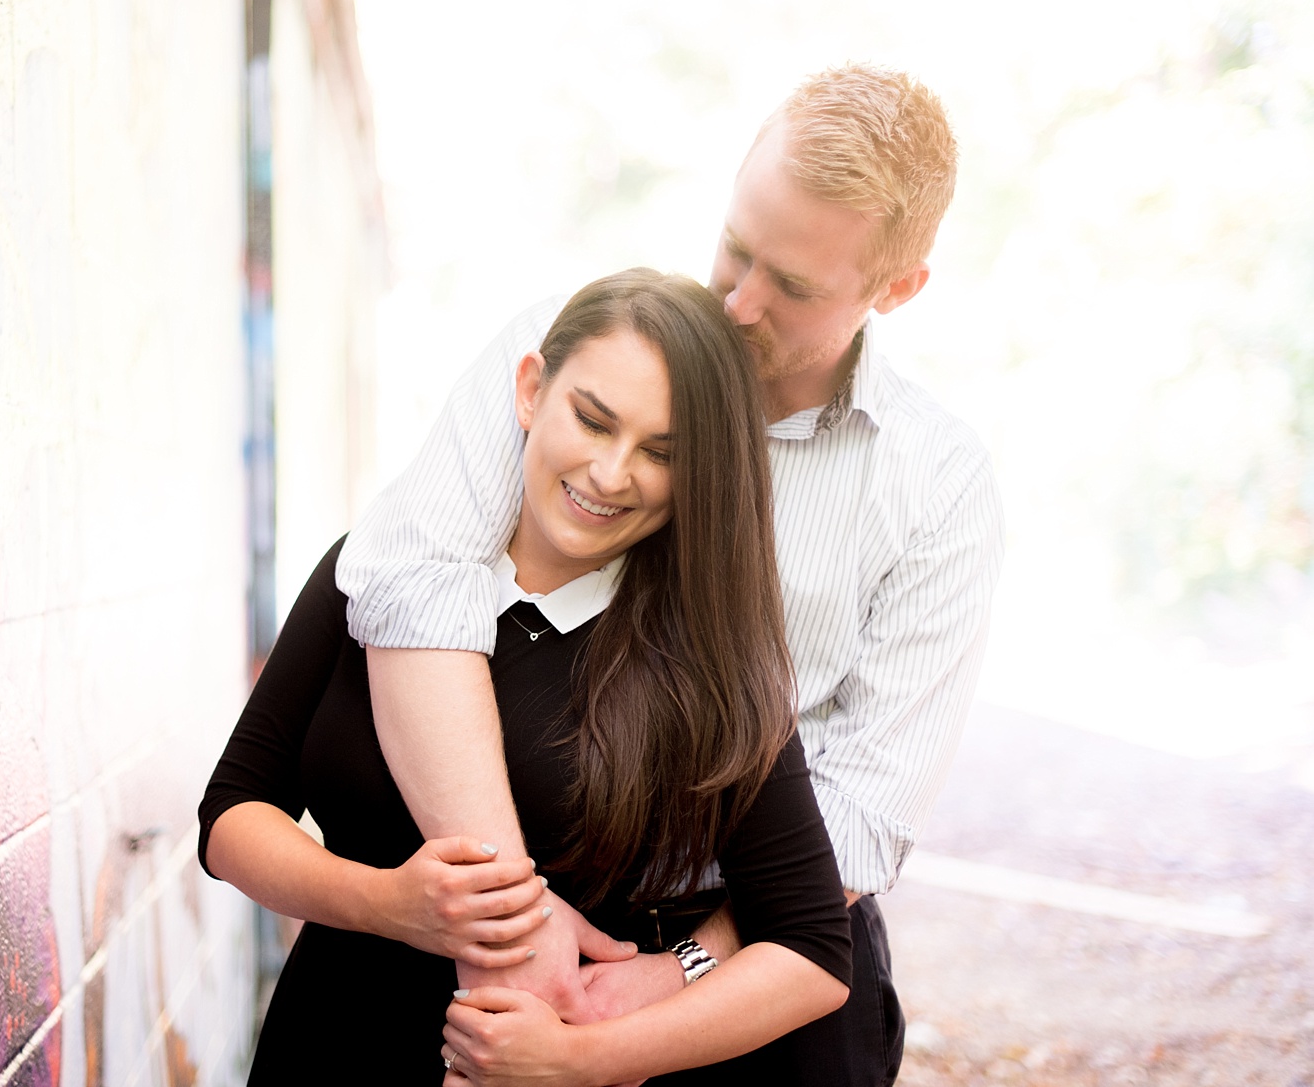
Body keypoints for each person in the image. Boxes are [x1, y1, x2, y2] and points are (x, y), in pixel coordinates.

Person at [337, 64, 1006, 1084]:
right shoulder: (562, 355)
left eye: (791, 286)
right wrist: (520, 928)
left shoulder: (937, 485)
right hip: (515, 913)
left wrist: (670, 972)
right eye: (735, 249)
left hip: (761, 964)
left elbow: (863, 811)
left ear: (894, 288)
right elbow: (411, 589)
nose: (737, 303)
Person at [200, 269, 853, 1084]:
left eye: (661, 452)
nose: (613, 474)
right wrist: (388, 904)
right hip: (327, 1041)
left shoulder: (705, 659)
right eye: (593, 419)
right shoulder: (374, 569)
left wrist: (582, 1057)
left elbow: (814, 951)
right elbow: (230, 818)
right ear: (530, 389)